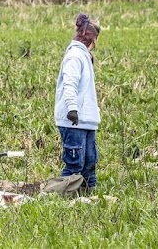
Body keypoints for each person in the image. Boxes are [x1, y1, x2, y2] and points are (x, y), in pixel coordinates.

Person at [54, 12, 101, 191]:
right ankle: (63, 196)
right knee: (75, 164)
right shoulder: (74, 56)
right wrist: (72, 108)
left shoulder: (84, 56)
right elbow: (70, 84)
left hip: (87, 121)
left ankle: (88, 195)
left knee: (89, 162)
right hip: (73, 120)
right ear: (88, 37)